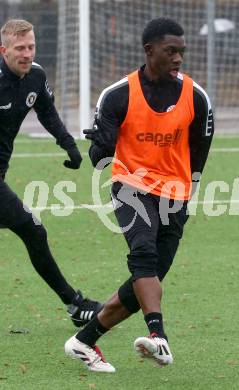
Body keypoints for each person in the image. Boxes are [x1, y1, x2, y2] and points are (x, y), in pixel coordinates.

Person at [64, 17, 214, 373]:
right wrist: (102, 142)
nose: (178, 58)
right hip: (131, 187)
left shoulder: (196, 96)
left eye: (181, 52)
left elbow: (200, 151)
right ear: (150, 51)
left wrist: (185, 192)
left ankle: (83, 341)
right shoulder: (117, 95)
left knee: (146, 280)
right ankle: (158, 336)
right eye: (170, 51)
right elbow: (99, 159)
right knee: (143, 253)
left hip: (175, 195)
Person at [0, 19, 102, 327]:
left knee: (33, 232)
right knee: (33, 230)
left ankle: (74, 305)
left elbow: (46, 110)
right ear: (4, 50)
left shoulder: (36, 76)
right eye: (19, 48)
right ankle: (75, 304)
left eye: (30, 46)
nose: (26, 53)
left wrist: (69, 145)